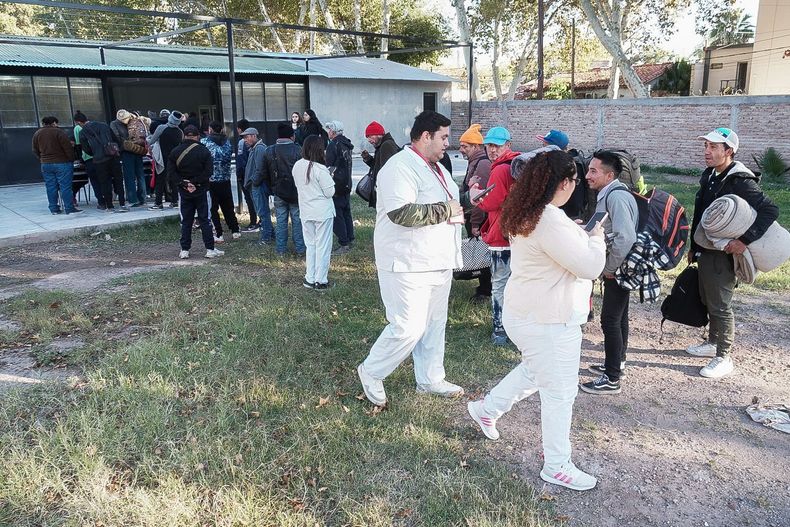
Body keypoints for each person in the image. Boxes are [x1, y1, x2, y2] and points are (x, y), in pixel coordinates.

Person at [467, 150, 606, 492]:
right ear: (564, 183)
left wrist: (576, 234)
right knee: (560, 393)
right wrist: (596, 239)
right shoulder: (549, 219)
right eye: (575, 180)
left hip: (527, 313)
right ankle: (557, 465)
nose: (576, 186)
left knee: (535, 372)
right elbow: (589, 266)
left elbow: (552, 243)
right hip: (548, 318)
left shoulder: (528, 210)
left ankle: (487, 409)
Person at [356, 110, 464, 407]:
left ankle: (430, 378)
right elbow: (401, 213)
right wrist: (447, 210)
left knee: (434, 324)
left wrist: (467, 201)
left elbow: (450, 203)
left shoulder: (438, 169)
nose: (448, 143)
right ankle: (372, 371)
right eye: (443, 137)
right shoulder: (399, 166)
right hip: (407, 262)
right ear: (426, 136)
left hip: (438, 259)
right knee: (408, 327)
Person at [686, 128, 779, 378]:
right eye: (706, 146)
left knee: (720, 305)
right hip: (706, 249)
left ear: (729, 151)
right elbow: (702, 213)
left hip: (723, 254)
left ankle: (723, 357)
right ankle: (712, 343)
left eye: (714, 147)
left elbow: (770, 210)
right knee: (708, 299)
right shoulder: (710, 175)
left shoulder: (740, 181)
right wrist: (694, 247)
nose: (707, 151)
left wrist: (744, 241)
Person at [579, 151, 638, 395]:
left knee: (610, 320)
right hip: (618, 265)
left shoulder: (616, 197)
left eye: (594, 171)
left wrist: (609, 268)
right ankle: (617, 364)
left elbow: (626, 237)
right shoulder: (609, 193)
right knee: (619, 317)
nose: (587, 175)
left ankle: (612, 378)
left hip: (619, 267)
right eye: (588, 170)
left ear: (609, 175)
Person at [476, 126, 521, 346]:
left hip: (501, 237)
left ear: (508, 145)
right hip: (519, 235)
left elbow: (492, 202)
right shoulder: (517, 165)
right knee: (517, 285)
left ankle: (500, 330)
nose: (492, 150)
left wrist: (476, 196)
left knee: (500, 286)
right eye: (489, 145)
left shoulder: (500, 170)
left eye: (497, 145)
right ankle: (517, 329)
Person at [168, 125, 224, 259]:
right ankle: (210, 249)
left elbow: (171, 173)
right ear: (197, 136)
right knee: (205, 220)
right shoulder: (204, 151)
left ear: (184, 136)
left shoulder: (175, 151)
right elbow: (208, 172)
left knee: (186, 221)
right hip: (201, 190)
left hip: (184, 191)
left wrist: (185, 184)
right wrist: (195, 182)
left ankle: (184, 250)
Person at [292, 135, 336, 289]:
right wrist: (330, 176)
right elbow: (330, 192)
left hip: (306, 211)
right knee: (323, 246)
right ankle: (321, 280)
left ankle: (309, 278)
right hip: (322, 212)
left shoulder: (297, 165)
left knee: (310, 246)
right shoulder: (320, 169)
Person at [458, 123, 493, 303]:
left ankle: (485, 291)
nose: (461, 149)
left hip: (479, 219)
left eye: (465, 146)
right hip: (473, 216)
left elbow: (480, 197)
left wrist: (476, 224)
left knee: (482, 253)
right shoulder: (475, 161)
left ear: (476, 147)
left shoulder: (482, 164)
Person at [260, 123, 305, 256]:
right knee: (297, 221)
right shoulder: (298, 150)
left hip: (278, 191)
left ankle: (280, 249)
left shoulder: (269, 150)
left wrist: (271, 188)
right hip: (296, 192)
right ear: (292, 136)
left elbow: (264, 173)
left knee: (281, 221)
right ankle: (300, 249)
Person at [32, 115, 80, 215]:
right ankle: (69, 208)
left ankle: (54, 209)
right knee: (65, 186)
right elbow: (67, 148)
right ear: (54, 123)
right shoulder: (59, 132)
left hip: (46, 164)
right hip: (62, 162)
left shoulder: (37, 133)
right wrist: (71, 159)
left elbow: (35, 150)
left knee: (50, 186)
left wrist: (42, 159)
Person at [79, 116, 129, 213]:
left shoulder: (83, 132)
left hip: (99, 160)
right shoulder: (104, 125)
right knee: (118, 180)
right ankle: (122, 204)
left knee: (104, 183)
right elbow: (116, 140)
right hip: (113, 156)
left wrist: (94, 153)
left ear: (79, 123)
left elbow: (86, 148)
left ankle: (109, 206)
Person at [201, 121, 240, 243]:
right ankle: (235, 231)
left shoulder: (205, 142)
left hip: (211, 180)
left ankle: (218, 233)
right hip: (225, 179)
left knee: (213, 208)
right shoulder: (227, 142)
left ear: (210, 130)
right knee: (228, 207)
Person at [325, 120, 355, 255]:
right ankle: (350, 238)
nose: (328, 132)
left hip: (337, 184)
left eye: (329, 129)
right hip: (347, 183)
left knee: (337, 215)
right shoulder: (346, 144)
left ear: (333, 131)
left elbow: (330, 167)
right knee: (346, 212)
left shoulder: (333, 145)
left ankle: (343, 243)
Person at [242, 127, 275, 245]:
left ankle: (266, 238)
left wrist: (254, 182)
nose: (245, 140)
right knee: (262, 211)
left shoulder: (259, 148)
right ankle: (270, 235)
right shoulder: (255, 148)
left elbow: (260, 169)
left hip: (259, 185)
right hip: (256, 185)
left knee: (263, 212)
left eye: (246, 137)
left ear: (254, 136)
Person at [111, 109, 147, 207]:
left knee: (129, 177)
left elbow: (116, 138)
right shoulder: (135, 119)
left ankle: (133, 200)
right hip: (138, 150)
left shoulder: (114, 124)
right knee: (140, 175)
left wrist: (126, 144)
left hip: (126, 152)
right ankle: (142, 198)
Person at [148, 111, 184, 209]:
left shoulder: (161, 128)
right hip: (175, 159)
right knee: (174, 180)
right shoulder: (180, 132)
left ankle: (158, 203)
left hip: (162, 159)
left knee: (160, 181)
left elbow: (152, 141)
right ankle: (175, 201)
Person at [360, 121, 400, 208]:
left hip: (387, 195)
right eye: (367, 137)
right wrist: (368, 158)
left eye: (370, 136)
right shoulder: (382, 146)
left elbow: (387, 172)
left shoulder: (386, 145)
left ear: (379, 134)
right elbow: (377, 166)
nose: (369, 140)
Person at [73, 111, 105, 210]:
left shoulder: (78, 129)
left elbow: (79, 145)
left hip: (89, 158)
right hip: (102, 156)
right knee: (104, 179)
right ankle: (108, 200)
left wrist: (81, 159)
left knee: (94, 181)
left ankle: (101, 202)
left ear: (78, 122)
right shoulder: (98, 126)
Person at [235, 119, 259, 232]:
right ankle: (260, 221)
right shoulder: (256, 143)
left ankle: (253, 222)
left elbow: (241, 161)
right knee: (256, 198)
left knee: (249, 199)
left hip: (246, 175)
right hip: (255, 174)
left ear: (239, 129)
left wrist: (239, 175)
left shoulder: (242, 142)